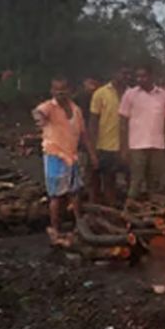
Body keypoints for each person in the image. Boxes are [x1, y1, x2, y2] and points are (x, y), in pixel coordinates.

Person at [33, 77, 98, 246]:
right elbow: (38, 113)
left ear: (70, 90)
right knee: (56, 196)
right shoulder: (49, 107)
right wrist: (39, 120)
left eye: (63, 89)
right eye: (57, 90)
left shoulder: (76, 110)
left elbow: (84, 135)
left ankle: (79, 226)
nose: (60, 93)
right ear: (52, 91)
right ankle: (56, 230)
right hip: (54, 156)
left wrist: (92, 155)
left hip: (72, 156)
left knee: (75, 192)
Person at [119, 66, 165, 201]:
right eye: (138, 77)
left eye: (143, 76)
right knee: (136, 182)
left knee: (155, 183)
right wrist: (123, 148)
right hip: (136, 145)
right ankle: (129, 212)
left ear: (151, 76)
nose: (140, 79)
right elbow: (123, 123)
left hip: (157, 145)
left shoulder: (163, 95)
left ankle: (152, 213)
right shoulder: (130, 95)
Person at [88, 68, 129, 205]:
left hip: (128, 145)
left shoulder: (132, 94)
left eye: (127, 73)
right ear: (113, 73)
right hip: (106, 144)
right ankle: (109, 211)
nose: (124, 76)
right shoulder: (100, 93)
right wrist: (92, 150)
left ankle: (129, 210)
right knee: (108, 180)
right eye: (121, 72)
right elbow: (93, 122)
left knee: (131, 179)